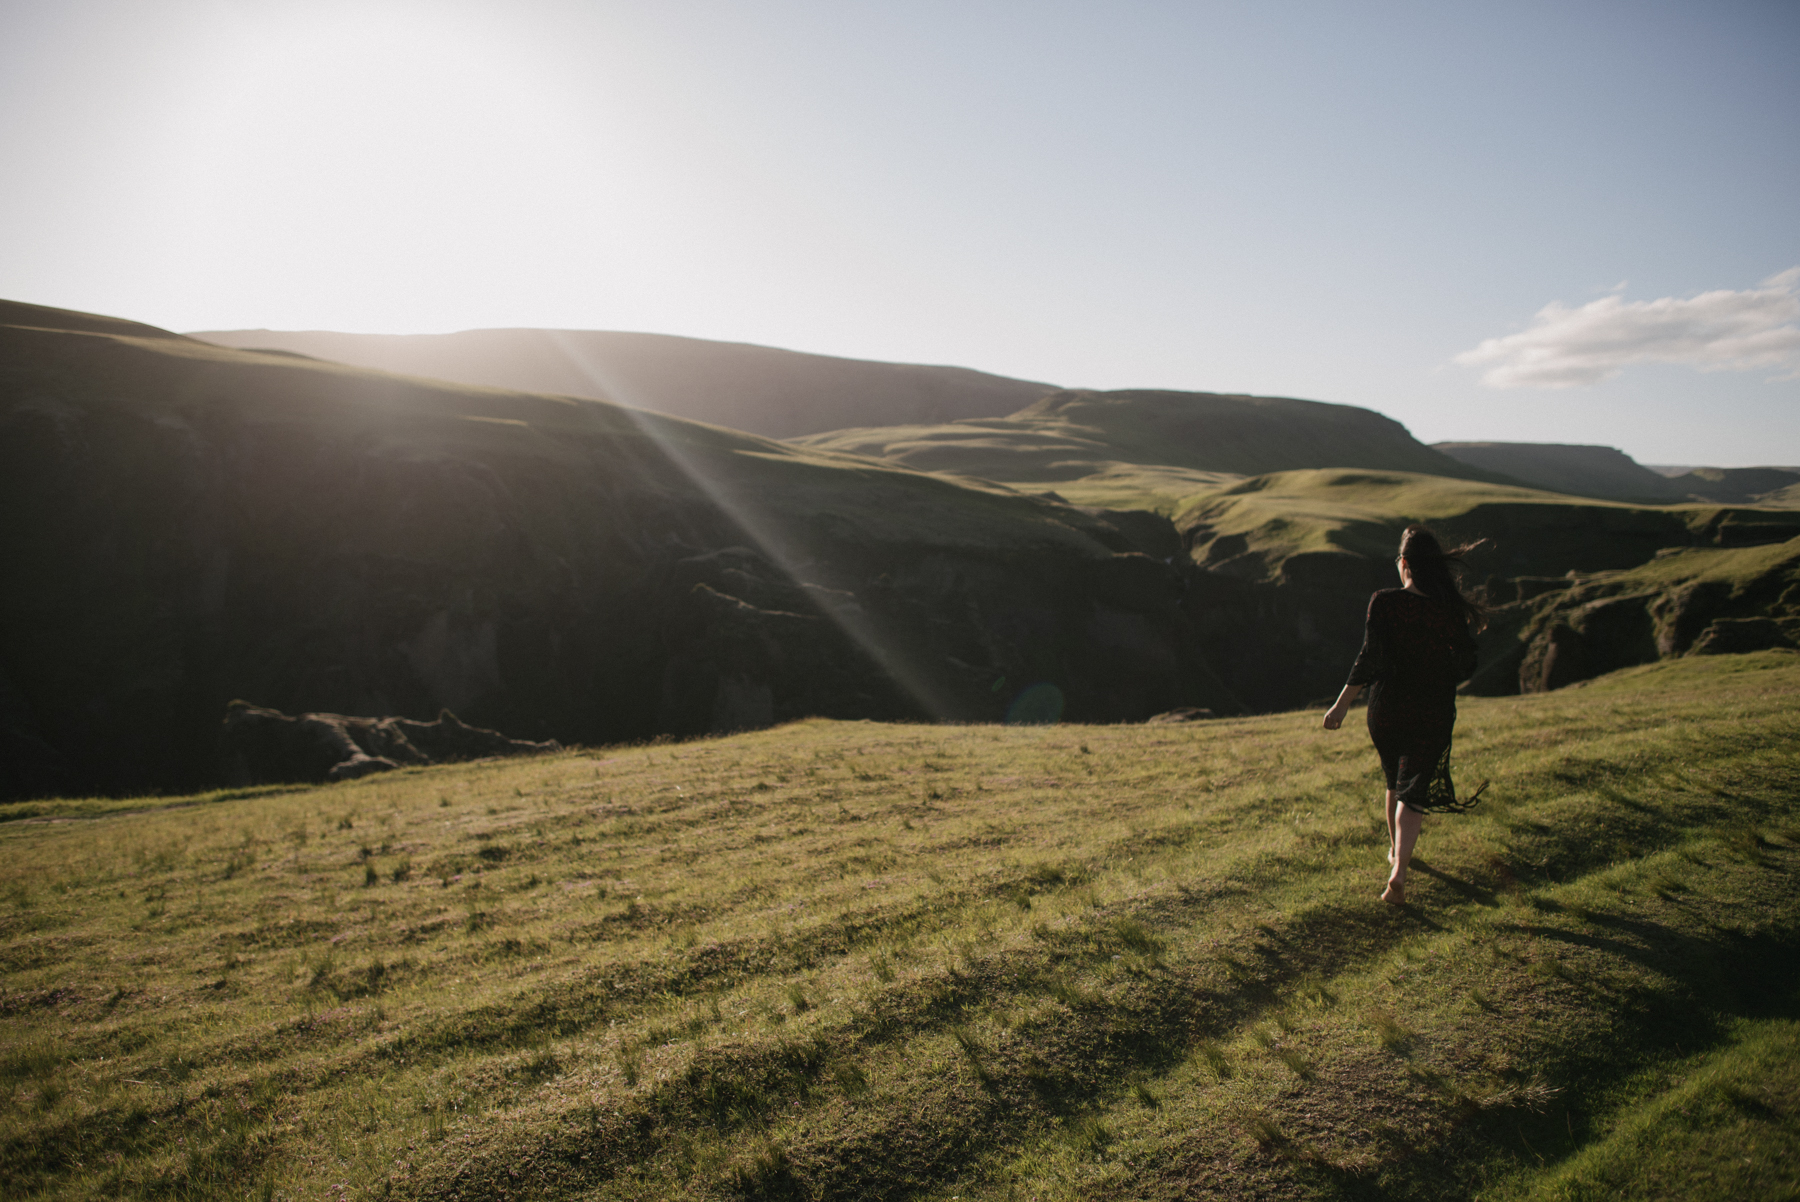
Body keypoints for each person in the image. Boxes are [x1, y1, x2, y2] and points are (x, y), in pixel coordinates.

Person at [1322, 525, 1487, 905]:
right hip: (1432, 707)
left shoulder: (1385, 601)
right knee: (1413, 792)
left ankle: (1396, 853)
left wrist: (1341, 705)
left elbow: (1369, 659)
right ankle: (1399, 873)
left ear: (1406, 564)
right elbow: (1466, 661)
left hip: (1388, 707)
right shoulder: (1448, 609)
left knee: (1393, 780)